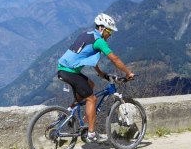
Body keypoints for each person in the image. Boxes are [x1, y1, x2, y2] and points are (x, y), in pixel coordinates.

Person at [57, 13, 134, 142]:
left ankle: (69, 112)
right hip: (69, 72)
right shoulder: (99, 42)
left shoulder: (86, 35)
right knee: (92, 99)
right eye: (109, 31)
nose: (110, 35)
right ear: (102, 29)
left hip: (63, 70)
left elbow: (88, 56)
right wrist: (128, 72)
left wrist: (100, 72)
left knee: (90, 85)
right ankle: (91, 134)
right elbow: (114, 59)